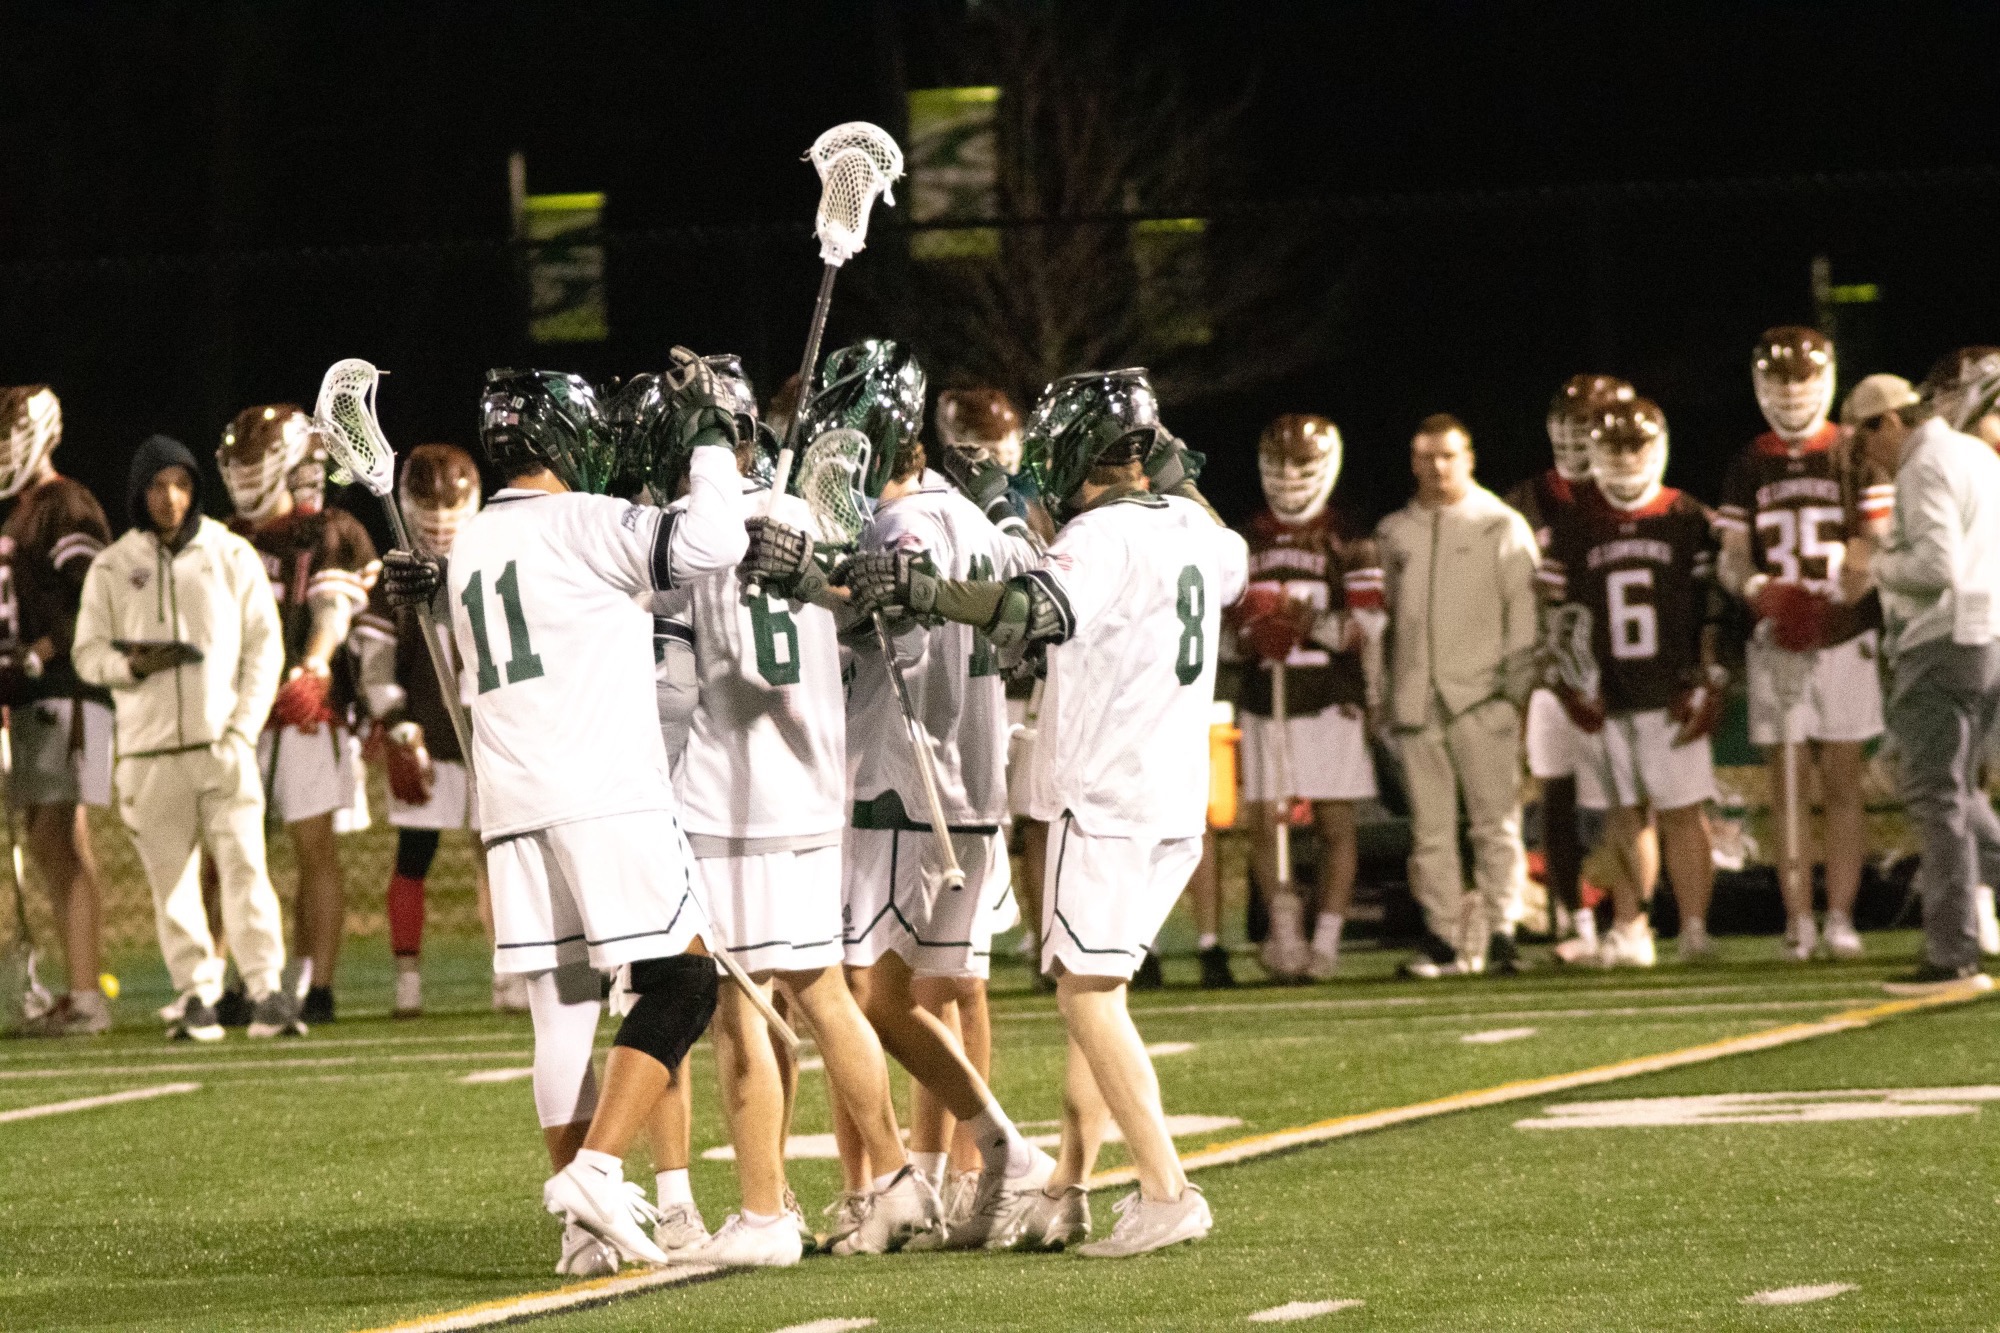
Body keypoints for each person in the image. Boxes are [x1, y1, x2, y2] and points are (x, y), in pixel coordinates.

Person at [851, 367, 1247, 1259]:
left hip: (1102, 793)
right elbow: (1226, 555)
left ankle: (1166, 1189)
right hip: (1172, 796)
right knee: (1099, 994)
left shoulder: (1099, 536)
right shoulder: (1193, 527)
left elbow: (1029, 609)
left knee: (1086, 996)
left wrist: (928, 592)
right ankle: (1067, 1186)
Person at [382, 365, 745, 1271]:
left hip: (512, 805)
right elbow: (712, 543)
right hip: (603, 791)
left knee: (563, 1011)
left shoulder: (467, 545)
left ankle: (583, 1237)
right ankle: (596, 1170)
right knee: (685, 986)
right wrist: (709, 442)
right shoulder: (587, 520)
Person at [641, 348, 941, 1265]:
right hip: (815, 785)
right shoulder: (812, 511)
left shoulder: (685, 532)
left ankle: (764, 1212)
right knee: (822, 992)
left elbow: (671, 688)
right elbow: (870, 625)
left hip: (728, 798)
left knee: (739, 1007)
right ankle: (893, 1180)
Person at [770, 341, 1053, 1250]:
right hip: (970, 784)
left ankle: (981, 1157)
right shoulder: (974, 518)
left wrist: (804, 583)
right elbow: (1024, 589)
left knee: (868, 997)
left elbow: (875, 624)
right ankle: (954, 1173)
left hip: (904, 779)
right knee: (915, 996)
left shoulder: (902, 530)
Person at [73, 435, 299, 1040]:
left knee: (247, 867)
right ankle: (197, 995)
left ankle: (266, 990)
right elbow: (87, 655)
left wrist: (242, 729)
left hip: (221, 746)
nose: (168, 498)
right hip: (147, 753)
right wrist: (132, 666)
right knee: (169, 882)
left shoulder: (230, 555)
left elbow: (264, 647)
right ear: (138, 494)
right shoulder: (114, 566)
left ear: (195, 488)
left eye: (179, 484)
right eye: (155, 485)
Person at [1822, 348, 2000, 995]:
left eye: (1866, 442)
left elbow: (1933, 568)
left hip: (1944, 640)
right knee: (1959, 794)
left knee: (1936, 797)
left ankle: (1953, 952)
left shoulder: (1927, 465)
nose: (1869, 459)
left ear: (1887, 423)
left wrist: (1874, 565)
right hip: (1987, 636)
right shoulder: (1975, 454)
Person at [1716, 329, 1892, 960]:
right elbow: (1733, 559)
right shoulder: (1747, 464)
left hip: (1842, 637)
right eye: (1779, 381)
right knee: (1787, 788)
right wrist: (1761, 588)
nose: (1791, 394)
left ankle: (1840, 915)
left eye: (1801, 380)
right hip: (1778, 641)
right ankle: (1799, 920)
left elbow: (1876, 541)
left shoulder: (1854, 454)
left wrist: (1843, 589)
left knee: (1843, 784)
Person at [1543, 398, 1723, 967]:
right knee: (1622, 815)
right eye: (1614, 448)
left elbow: (1713, 607)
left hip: (1670, 686)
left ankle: (1694, 930)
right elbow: (1559, 615)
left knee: (1681, 812)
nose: (1625, 459)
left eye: (1635, 446)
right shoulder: (1575, 524)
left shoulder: (1687, 515)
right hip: (1607, 688)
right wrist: (1574, 681)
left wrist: (1707, 674)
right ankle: (1632, 927)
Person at [219, 405, 379, 1023]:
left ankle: (317, 984)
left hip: (306, 713)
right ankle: (238, 980)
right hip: (238, 712)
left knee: (312, 850)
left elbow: (334, 608)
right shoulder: (227, 535)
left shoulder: (328, 528)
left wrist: (313, 668)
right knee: (229, 855)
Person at [351, 443, 519, 1016]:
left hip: (488, 732)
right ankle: (407, 980)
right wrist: (397, 725)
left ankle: (511, 972)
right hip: (425, 733)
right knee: (414, 856)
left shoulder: (493, 564)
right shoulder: (392, 575)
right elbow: (375, 664)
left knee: (497, 854)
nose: (442, 521)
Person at [1375, 414, 1539, 976]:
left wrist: (1514, 693)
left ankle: (1501, 930)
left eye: (1447, 455)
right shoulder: (1395, 531)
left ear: (1468, 457)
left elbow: (1524, 616)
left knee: (1496, 823)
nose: (1436, 467)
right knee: (1431, 831)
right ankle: (1443, 934)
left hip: (1482, 695)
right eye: (1425, 457)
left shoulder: (1500, 525)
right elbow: (1384, 620)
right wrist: (1387, 695)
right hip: (1418, 700)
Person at [1227, 413, 1382, 982]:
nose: (1290, 476)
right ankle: (1285, 930)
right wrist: (1249, 638)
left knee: (1335, 823)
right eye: (1280, 464)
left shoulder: (1351, 540)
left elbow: (1366, 630)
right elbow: (1220, 634)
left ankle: (1327, 940)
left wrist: (1304, 621)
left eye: (1302, 464)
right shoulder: (1244, 540)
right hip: (1267, 699)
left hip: (1328, 697)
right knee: (1265, 821)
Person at [0, 386, 115, 1036]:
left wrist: (40, 653)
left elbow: (96, 599)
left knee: (62, 839)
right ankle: (76, 990)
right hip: (35, 697)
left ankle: (86, 994)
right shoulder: (18, 511)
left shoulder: (64, 503)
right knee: (49, 840)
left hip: (68, 690)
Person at [1510, 376, 1634, 961]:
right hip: (1551, 671)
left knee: (1627, 801)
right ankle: (1576, 920)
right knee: (1555, 798)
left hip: (1628, 669)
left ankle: (1633, 922)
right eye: (1569, 418)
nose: (1576, 432)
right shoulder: (1525, 502)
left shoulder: (1636, 495)